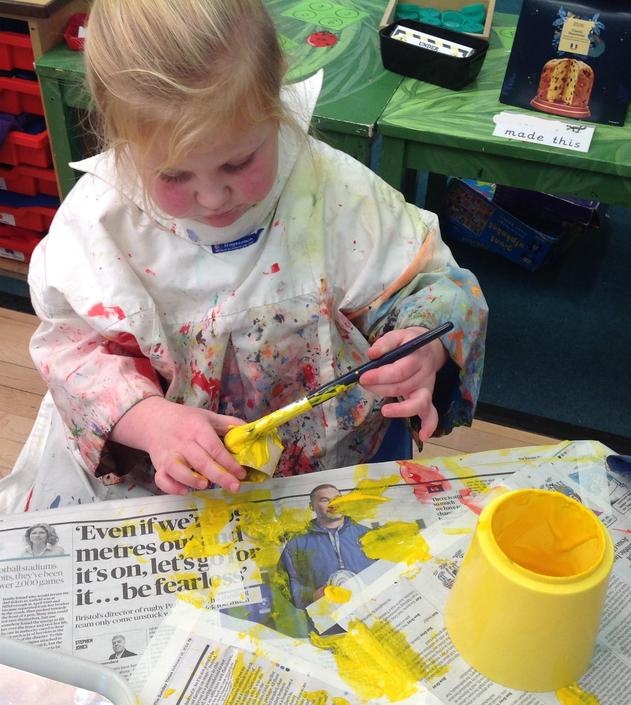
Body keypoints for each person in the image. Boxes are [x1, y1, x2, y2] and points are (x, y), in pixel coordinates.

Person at [4, 0, 487, 512]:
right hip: (172, 483)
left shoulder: (333, 191)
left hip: (328, 469)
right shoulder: (101, 225)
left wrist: (421, 347)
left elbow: (435, 287)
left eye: (238, 163)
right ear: (123, 140)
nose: (213, 198)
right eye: (174, 175)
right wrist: (147, 418)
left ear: (274, 105)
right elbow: (72, 349)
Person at [279, 484, 377, 609]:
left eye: (337, 499)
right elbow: (285, 581)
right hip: (326, 613)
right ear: (312, 506)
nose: (334, 504)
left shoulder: (367, 535)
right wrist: (311, 596)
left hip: (373, 607)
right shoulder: (296, 543)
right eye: (325, 500)